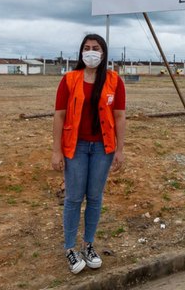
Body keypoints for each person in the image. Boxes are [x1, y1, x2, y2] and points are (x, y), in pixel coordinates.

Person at [51, 34, 126, 274]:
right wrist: (56, 150)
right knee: (74, 198)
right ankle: (71, 248)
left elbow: (120, 116)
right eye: (87, 48)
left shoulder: (115, 81)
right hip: (76, 147)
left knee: (95, 197)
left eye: (96, 48)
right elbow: (59, 115)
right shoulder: (70, 80)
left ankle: (88, 245)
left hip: (103, 148)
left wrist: (120, 149)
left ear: (103, 53)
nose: (91, 52)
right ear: (81, 52)